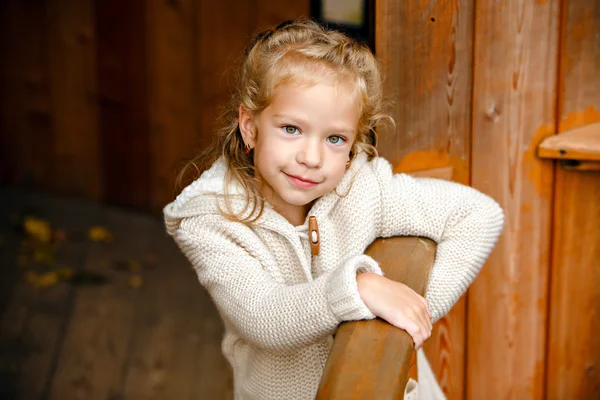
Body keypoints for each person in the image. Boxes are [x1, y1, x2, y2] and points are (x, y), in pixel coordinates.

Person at [163, 18, 504, 400]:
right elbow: (263, 317)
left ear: (354, 144)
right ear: (250, 126)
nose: (311, 157)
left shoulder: (362, 187)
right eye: (291, 129)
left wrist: (408, 316)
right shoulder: (212, 221)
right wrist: (359, 289)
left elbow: (479, 214)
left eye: (335, 138)